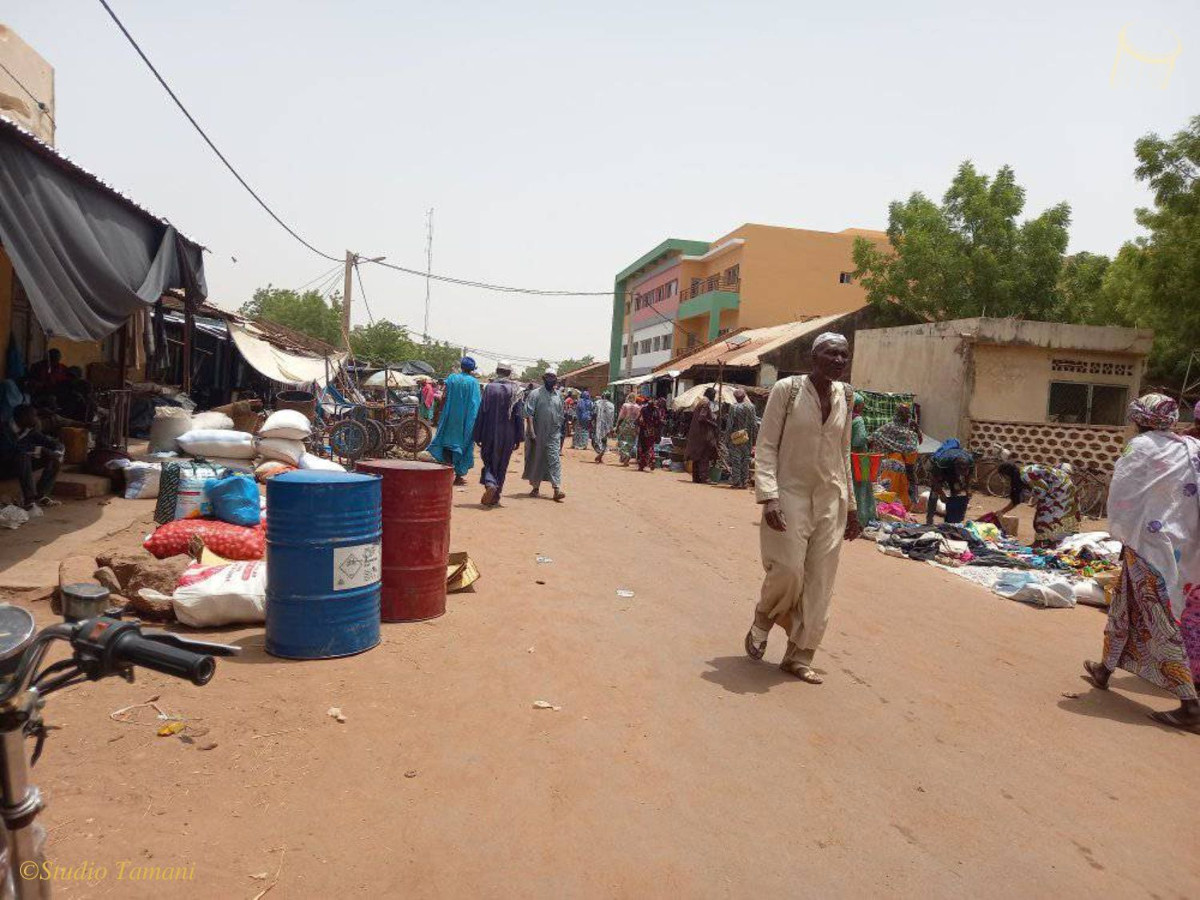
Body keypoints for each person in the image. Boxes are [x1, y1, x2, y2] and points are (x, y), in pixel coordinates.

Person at [744, 333, 860, 683]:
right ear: (814, 356)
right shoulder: (788, 390)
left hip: (831, 497)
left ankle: (799, 655)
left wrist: (852, 506)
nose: (839, 360)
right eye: (831, 354)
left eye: (844, 355)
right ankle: (763, 617)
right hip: (789, 493)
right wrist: (769, 497)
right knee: (789, 569)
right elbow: (765, 446)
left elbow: (843, 452)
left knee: (820, 581)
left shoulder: (847, 395)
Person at [1084, 394, 1199, 730]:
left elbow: (1123, 496)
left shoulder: (1141, 447)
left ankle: (1190, 706)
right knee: (1125, 603)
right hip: (1182, 544)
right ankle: (1104, 669)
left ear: (1138, 419)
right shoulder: (1189, 447)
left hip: (1149, 545)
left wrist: (1125, 534)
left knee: (1159, 617)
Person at [473, 361, 524, 507]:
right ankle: (496, 495)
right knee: (502, 464)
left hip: (489, 431)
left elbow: (482, 411)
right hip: (508, 433)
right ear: (509, 373)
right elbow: (518, 415)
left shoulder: (489, 388)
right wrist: (519, 437)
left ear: (497, 370)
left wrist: (478, 434)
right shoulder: (516, 390)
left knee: (488, 460)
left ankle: (490, 483)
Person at [995, 461, 1080, 547]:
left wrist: (1036, 500)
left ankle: (1041, 543)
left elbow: (1043, 489)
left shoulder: (1026, 475)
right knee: (1050, 514)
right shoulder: (1021, 475)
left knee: (1045, 516)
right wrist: (1002, 511)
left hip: (1061, 488)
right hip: (1060, 487)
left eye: (1003, 476)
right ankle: (1049, 542)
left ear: (1007, 474)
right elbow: (1017, 499)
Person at [427, 358, 482, 485]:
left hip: (450, 418)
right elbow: (476, 404)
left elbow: (444, 397)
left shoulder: (452, 378)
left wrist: (440, 412)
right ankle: (458, 476)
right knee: (464, 445)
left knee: (447, 444)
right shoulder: (474, 383)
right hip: (466, 420)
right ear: (472, 370)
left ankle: (445, 474)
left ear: (461, 367)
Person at [0, 405, 64, 509]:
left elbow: (53, 443)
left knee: (53, 459)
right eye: (33, 416)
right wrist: (40, 450)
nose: (36, 419)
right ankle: (29, 501)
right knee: (23, 456)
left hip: (19, 467)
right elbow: (8, 450)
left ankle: (41, 496)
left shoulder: (29, 431)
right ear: (23, 417)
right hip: (3, 468)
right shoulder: (3, 429)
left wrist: (57, 451)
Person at [523, 370, 566, 501]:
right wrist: (531, 432)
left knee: (554, 459)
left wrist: (561, 431)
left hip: (553, 433)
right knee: (537, 459)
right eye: (549, 377)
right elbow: (529, 414)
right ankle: (535, 487)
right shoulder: (535, 394)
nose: (551, 380)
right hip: (537, 433)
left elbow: (560, 414)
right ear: (544, 378)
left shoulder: (558, 395)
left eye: (553, 378)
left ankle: (556, 488)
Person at [869, 404, 920, 509]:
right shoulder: (890, 426)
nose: (907, 414)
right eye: (904, 412)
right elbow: (875, 435)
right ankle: (892, 503)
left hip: (910, 460)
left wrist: (917, 429)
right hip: (895, 460)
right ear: (899, 413)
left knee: (912, 480)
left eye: (907, 412)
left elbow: (918, 440)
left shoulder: (911, 426)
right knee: (895, 481)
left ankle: (910, 504)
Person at [925, 447, 975, 525]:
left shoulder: (970, 461)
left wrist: (968, 488)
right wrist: (941, 493)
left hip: (952, 472)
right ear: (955, 467)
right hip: (941, 471)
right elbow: (934, 480)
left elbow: (969, 475)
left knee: (956, 491)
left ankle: (952, 519)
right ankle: (929, 519)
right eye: (960, 471)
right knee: (934, 493)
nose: (962, 473)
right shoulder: (942, 461)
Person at [849, 393, 877, 526]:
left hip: (846, 457)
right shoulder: (858, 420)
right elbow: (859, 440)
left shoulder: (842, 417)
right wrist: (869, 439)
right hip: (862, 458)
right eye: (861, 405)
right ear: (858, 405)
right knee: (863, 486)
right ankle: (862, 518)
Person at [725, 388, 758, 490]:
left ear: (735, 397)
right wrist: (754, 438)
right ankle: (744, 482)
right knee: (745, 460)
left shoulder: (733, 408)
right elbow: (754, 424)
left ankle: (736, 482)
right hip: (747, 437)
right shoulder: (751, 407)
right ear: (744, 397)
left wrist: (727, 438)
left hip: (736, 437)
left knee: (736, 460)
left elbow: (730, 424)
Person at [686, 387, 720, 484]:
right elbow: (702, 418)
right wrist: (713, 423)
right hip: (703, 434)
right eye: (714, 395)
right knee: (704, 456)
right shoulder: (706, 403)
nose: (714, 397)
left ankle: (696, 478)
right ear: (710, 395)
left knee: (697, 456)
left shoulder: (701, 402)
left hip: (697, 434)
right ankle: (705, 478)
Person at [636, 396, 665, 472]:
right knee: (650, 447)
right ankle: (651, 460)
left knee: (642, 448)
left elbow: (638, 420)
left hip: (643, 431)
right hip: (652, 432)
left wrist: (638, 424)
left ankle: (642, 465)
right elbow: (659, 423)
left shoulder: (643, 410)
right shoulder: (657, 411)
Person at [616, 393, 640, 466]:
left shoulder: (625, 405)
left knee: (621, 441)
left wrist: (617, 426)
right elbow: (638, 418)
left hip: (625, 425)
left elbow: (621, 416)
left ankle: (626, 455)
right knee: (631, 442)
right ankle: (627, 456)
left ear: (628, 398)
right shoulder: (638, 407)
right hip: (633, 426)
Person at [592, 392, 615, 463]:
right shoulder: (612, 405)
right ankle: (601, 454)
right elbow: (611, 417)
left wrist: (593, 422)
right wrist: (611, 428)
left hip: (598, 425)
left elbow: (594, 413)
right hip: (607, 426)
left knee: (595, 440)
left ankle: (600, 453)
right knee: (604, 441)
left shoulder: (597, 403)